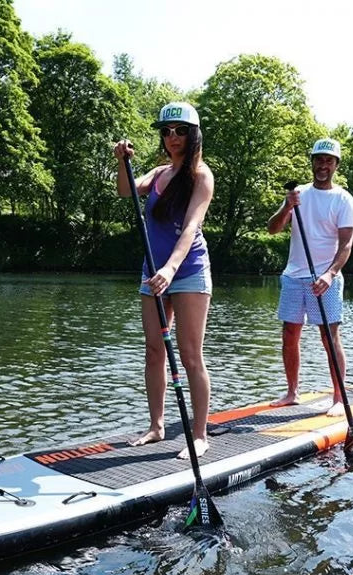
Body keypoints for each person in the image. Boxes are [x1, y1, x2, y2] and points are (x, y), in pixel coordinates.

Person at [113, 101, 215, 459]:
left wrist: (170, 269)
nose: (173, 138)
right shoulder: (158, 174)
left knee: (190, 356)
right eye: (167, 132)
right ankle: (157, 427)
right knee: (154, 350)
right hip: (151, 270)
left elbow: (191, 227)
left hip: (186, 271)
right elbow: (125, 190)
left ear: (194, 135)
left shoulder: (201, 176)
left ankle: (199, 435)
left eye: (180, 131)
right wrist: (120, 159)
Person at [266, 138, 353, 417]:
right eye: (319, 159)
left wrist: (330, 274)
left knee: (329, 337)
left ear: (336, 165)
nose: (323, 165)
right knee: (289, 334)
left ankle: (339, 398)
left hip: (326, 278)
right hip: (294, 276)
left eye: (329, 160)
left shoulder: (343, 199)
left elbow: (346, 244)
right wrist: (287, 207)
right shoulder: (297, 194)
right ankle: (292, 393)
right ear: (312, 162)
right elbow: (272, 229)